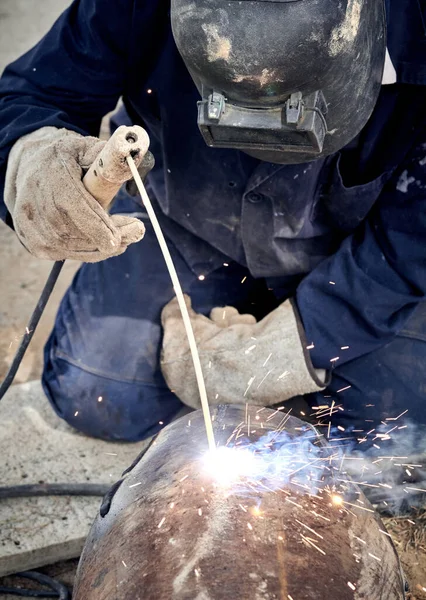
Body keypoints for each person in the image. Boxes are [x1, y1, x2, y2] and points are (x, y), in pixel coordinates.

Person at [0, 0, 425, 448]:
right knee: (96, 390)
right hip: (184, 226)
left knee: (397, 433)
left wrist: (299, 340)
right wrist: (32, 157)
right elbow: (32, 96)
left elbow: (414, 234)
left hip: (360, 255)